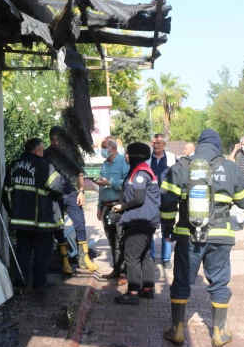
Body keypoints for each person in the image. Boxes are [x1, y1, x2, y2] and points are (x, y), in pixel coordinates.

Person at [160, 129, 244, 347]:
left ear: (199, 143)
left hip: (187, 236)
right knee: (219, 281)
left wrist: (167, 228)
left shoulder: (180, 166)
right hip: (221, 237)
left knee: (182, 281)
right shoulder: (230, 167)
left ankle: (176, 330)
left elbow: (166, 203)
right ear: (218, 145)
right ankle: (219, 332)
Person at [2, 138, 63, 289]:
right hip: (41, 220)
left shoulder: (14, 166)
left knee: (23, 251)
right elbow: (58, 187)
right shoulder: (44, 166)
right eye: (42, 150)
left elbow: (6, 194)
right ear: (36, 151)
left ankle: (21, 281)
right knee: (43, 251)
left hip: (21, 221)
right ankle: (39, 281)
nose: (43, 153)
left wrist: (13, 211)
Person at [44, 126, 98, 273]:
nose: (55, 142)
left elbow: (79, 174)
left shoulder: (70, 153)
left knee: (80, 224)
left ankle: (84, 259)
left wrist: (81, 192)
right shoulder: (46, 154)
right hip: (54, 197)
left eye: (58, 139)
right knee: (59, 229)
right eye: (53, 139)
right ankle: (65, 262)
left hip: (71, 194)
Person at [112, 143, 160, 305]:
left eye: (127, 153)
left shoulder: (140, 173)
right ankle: (147, 289)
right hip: (144, 220)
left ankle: (133, 293)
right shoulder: (139, 170)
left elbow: (139, 199)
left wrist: (122, 207)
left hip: (140, 220)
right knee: (145, 256)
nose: (125, 156)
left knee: (131, 257)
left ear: (135, 156)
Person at [95, 137, 129, 283]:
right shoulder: (104, 164)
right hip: (106, 207)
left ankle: (123, 272)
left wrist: (109, 182)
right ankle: (116, 269)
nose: (101, 150)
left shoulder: (123, 163)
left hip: (119, 207)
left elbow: (126, 184)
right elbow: (102, 188)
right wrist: (99, 207)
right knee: (111, 240)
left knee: (121, 240)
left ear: (113, 148)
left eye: (104, 147)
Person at [146, 133, 176, 269]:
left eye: (158, 143)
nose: (155, 145)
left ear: (164, 144)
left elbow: (176, 176)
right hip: (151, 199)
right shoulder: (147, 158)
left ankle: (166, 258)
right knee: (150, 228)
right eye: (153, 143)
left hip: (167, 199)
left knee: (166, 228)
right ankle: (150, 257)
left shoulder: (171, 158)